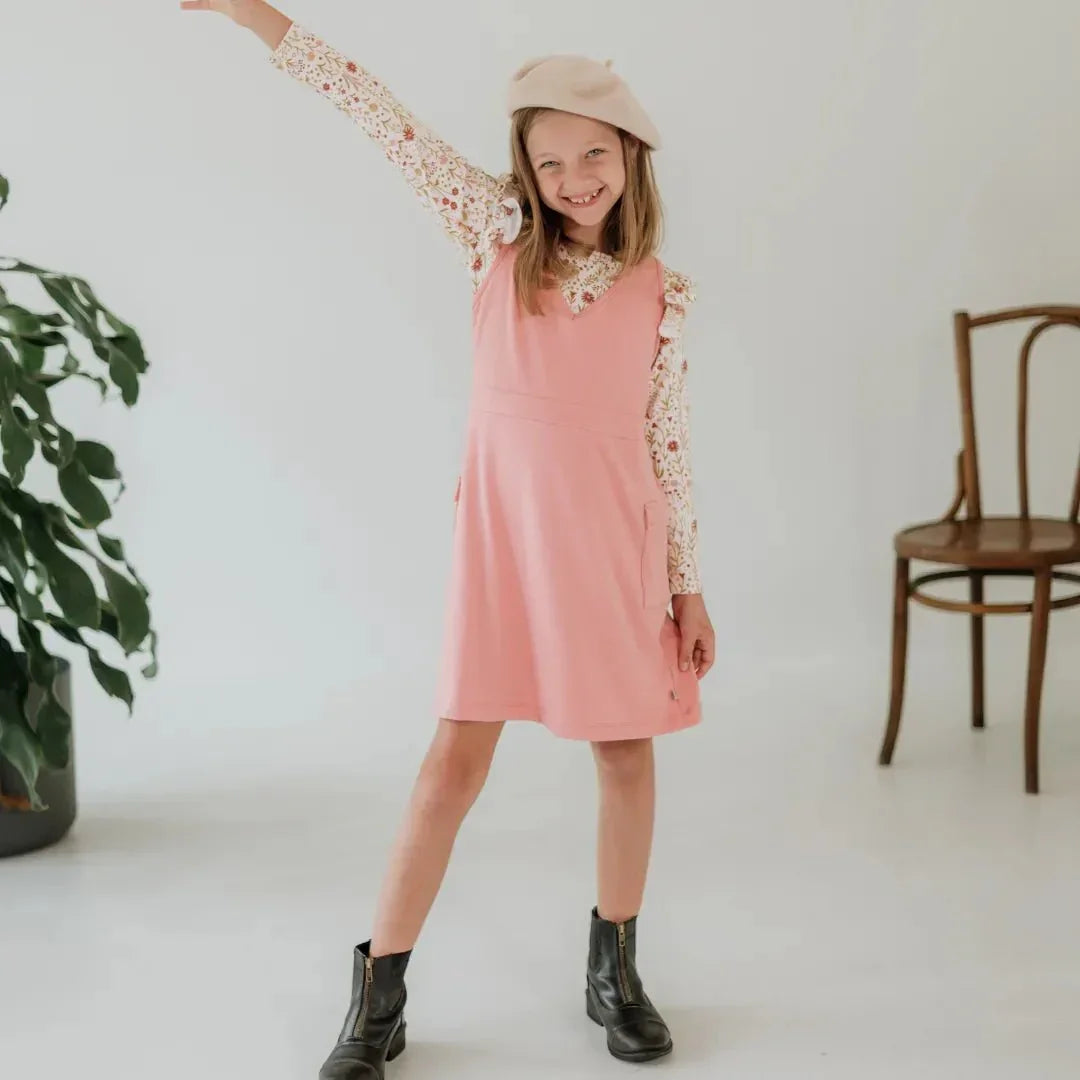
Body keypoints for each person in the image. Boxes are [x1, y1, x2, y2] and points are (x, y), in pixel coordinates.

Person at [182, 2, 717, 1075]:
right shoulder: (494, 236)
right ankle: (378, 993)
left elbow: (668, 444)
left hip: (613, 547)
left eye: (594, 155)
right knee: (452, 762)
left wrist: (687, 585)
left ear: (630, 154)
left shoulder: (663, 293)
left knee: (625, 754)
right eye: (551, 161)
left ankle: (614, 968)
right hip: (507, 548)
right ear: (524, 170)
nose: (575, 179)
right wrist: (258, 17)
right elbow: (379, 116)